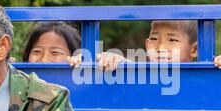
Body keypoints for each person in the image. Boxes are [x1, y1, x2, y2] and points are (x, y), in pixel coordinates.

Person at [68, 19, 198, 69]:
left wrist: (219, 62)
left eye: (172, 40)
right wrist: (107, 59)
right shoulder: (140, 73)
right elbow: (127, 67)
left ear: (194, 49)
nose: (160, 48)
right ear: (147, 45)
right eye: (154, 39)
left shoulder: (204, 77)